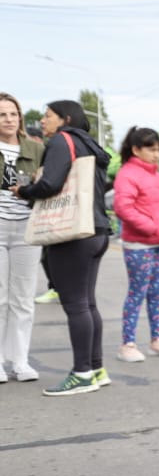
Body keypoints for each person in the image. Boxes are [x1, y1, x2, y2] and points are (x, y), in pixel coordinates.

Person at [12, 101, 112, 395]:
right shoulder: (90, 144)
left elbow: (51, 184)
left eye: (47, 116)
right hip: (97, 231)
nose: (42, 121)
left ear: (65, 119)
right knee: (88, 303)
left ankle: (81, 373)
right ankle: (95, 369)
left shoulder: (61, 141)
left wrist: (25, 190)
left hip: (72, 233)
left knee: (76, 304)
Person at [111, 127, 159, 364]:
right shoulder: (128, 174)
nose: (157, 154)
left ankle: (157, 340)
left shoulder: (156, 175)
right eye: (151, 149)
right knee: (137, 292)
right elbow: (123, 208)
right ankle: (127, 344)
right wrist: (150, 227)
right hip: (139, 244)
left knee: (156, 292)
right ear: (136, 150)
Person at [0, 92, 44, 383]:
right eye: (2, 115)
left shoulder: (36, 148)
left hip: (27, 228)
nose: (9, 119)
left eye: (13, 114)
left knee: (24, 298)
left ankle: (20, 361)